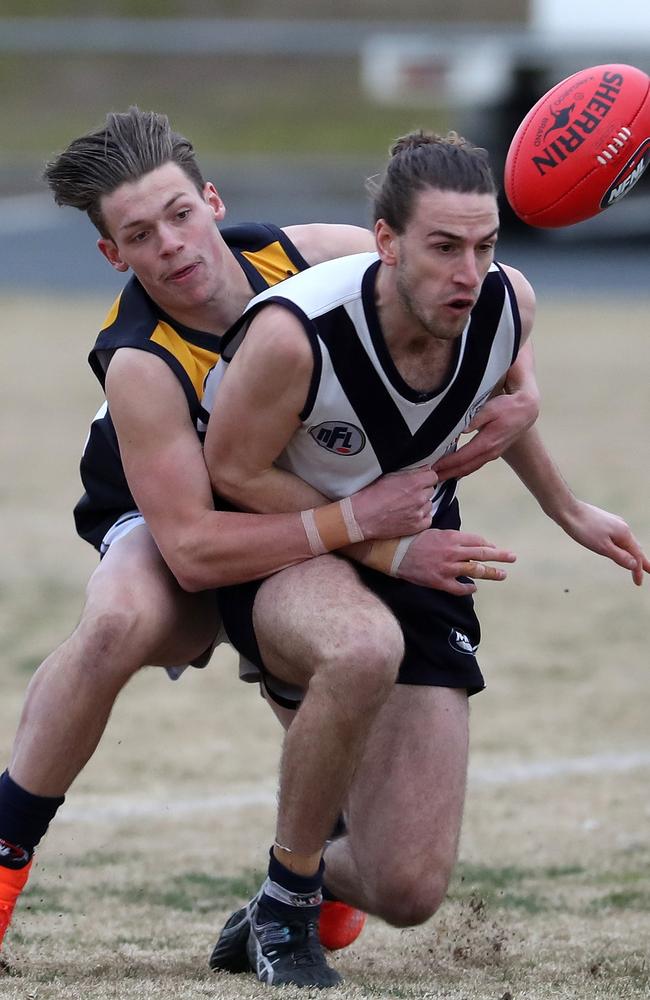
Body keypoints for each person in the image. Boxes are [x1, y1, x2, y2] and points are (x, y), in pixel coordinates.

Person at [0, 110, 541, 960]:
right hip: (176, 513)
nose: (172, 245)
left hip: (297, 496)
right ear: (114, 256)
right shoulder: (144, 360)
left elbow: (463, 285)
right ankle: (4, 856)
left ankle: (307, 839)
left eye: (180, 214)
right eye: (140, 234)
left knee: (404, 867)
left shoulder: (310, 257)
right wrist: (368, 528)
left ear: (212, 200)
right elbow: (196, 548)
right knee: (127, 622)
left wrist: (526, 393)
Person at [201, 130, 649, 988]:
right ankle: (291, 911)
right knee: (361, 646)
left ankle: (284, 886)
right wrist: (379, 539)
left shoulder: (504, 303)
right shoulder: (298, 336)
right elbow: (232, 471)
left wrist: (567, 508)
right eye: (443, 247)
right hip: (284, 546)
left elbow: (504, 398)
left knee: (407, 888)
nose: (467, 272)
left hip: (413, 549)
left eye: (483, 246)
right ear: (385, 241)